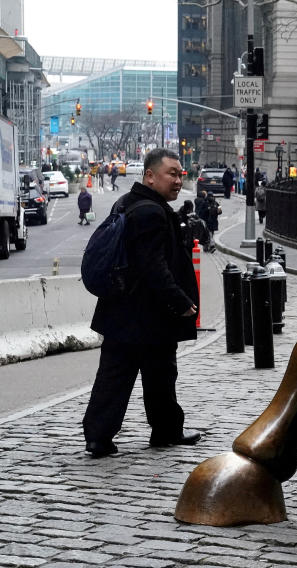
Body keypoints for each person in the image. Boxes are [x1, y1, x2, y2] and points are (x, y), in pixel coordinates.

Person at [83, 148, 202, 458]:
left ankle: (99, 437)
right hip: (148, 314)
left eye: (181, 174)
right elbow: (153, 266)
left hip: (122, 310)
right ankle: (164, 432)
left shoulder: (130, 203)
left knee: (119, 375)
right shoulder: (150, 211)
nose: (179, 180)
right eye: (172, 174)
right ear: (150, 176)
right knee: (158, 374)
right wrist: (180, 302)